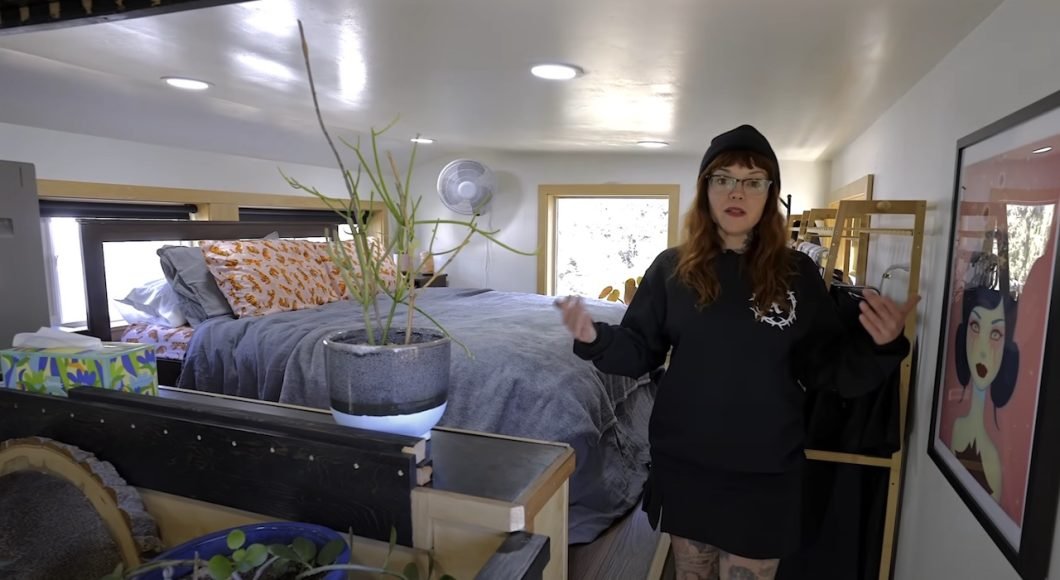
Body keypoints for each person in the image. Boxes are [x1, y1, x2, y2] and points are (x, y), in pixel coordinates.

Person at [555, 125, 918, 580]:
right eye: (723, 178)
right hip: (687, 466)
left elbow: (826, 368)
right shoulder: (672, 269)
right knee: (692, 571)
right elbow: (640, 351)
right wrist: (595, 338)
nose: (736, 191)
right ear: (706, 188)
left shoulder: (797, 273)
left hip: (765, 472)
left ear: (770, 194)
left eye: (752, 180)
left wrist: (879, 346)